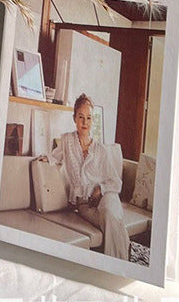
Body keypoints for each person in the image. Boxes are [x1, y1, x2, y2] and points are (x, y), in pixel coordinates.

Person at [37, 93, 130, 260]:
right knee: (110, 220)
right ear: (74, 118)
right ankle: (122, 259)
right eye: (81, 117)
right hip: (84, 205)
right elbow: (55, 156)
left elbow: (116, 182)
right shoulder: (67, 141)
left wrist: (100, 189)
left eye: (88, 118)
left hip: (106, 196)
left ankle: (115, 262)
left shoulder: (100, 150)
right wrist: (44, 159)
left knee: (109, 212)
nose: (85, 122)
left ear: (92, 121)